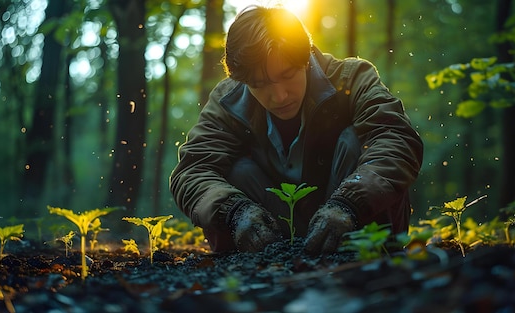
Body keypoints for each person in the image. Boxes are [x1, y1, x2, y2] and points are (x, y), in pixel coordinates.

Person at [170, 5, 423, 255]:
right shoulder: (228, 102)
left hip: (360, 233)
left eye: (288, 74)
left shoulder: (352, 79)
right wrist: (234, 212)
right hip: (266, 245)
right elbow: (193, 170)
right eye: (260, 84)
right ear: (243, 81)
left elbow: (396, 138)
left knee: (354, 141)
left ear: (306, 58)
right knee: (236, 170)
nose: (279, 96)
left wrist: (349, 204)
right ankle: (251, 260)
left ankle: (363, 252)